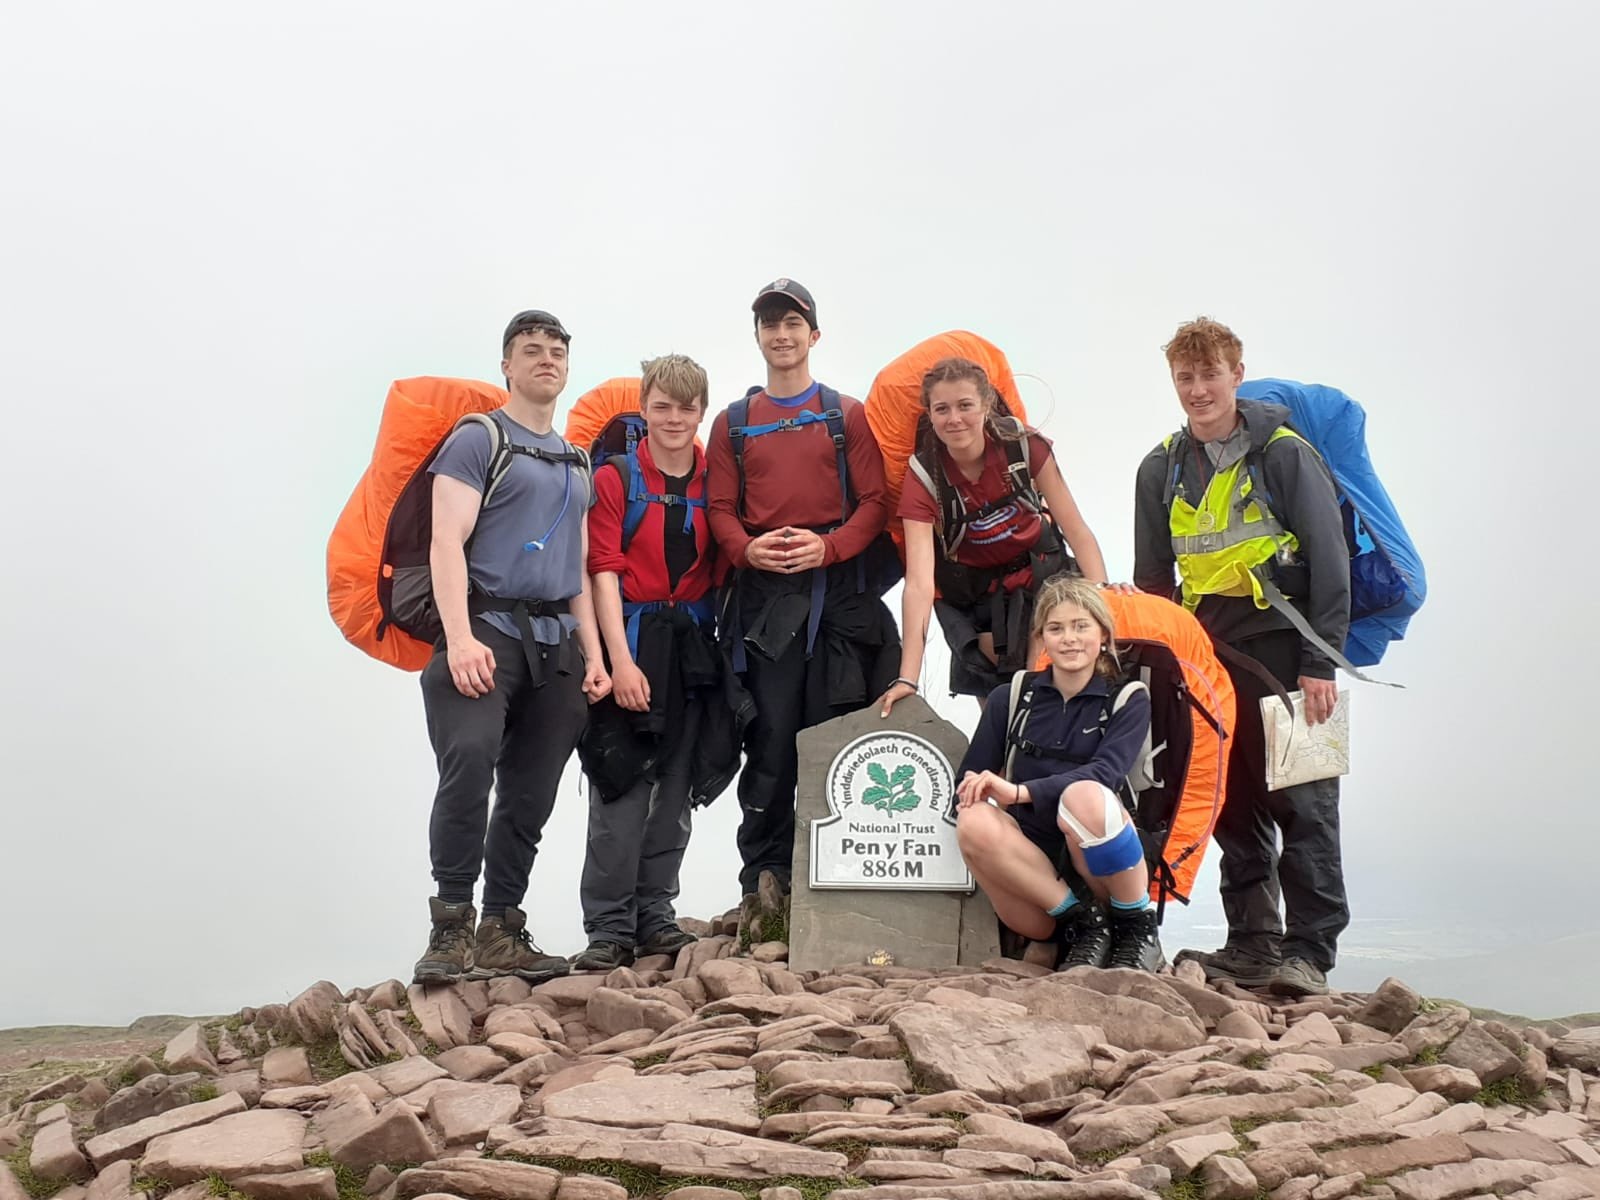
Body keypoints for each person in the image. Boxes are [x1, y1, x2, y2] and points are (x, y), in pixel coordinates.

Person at [1133, 316, 1352, 997]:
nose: (1198, 389)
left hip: (1291, 651)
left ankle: (1309, 953)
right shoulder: (1160, 468)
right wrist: (1161, 673)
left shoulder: (1285, 455)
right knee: (1230, 800)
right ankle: (1254, 943)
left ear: (1237, 374)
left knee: (1306, 802)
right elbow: (1153, 583)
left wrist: (1322, 663)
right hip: (1206, 660)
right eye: (1186, 377)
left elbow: (1331, 563)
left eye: (1210, 374)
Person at [412, 309, 611, 986]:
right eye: (531, 349)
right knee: (468, 763)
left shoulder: (576, 461)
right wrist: (460, 638)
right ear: (507, 365)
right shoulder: (478, 439)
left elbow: (575, 566)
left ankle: (501, 929)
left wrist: (594, 657)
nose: (546, 359)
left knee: (531, 790)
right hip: (484, 630)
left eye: (557, 350)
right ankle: (449, 927)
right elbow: (445, 540)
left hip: (556, 644)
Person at [706, 278, 901, 896]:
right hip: (765, 602)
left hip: (838, 597)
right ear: (757, 336)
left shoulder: (846, 415)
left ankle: (835, 877)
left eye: (793, 323)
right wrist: (746, 550)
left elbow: (875, 502)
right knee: (769, 738)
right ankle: (763, 882)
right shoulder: (734, 423)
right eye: (770, 324)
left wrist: (830, 547)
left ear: (814, 335)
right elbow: (718, 507)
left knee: (835, 733)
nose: (781, 334)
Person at [570, 355, 725, 971]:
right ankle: (609, 927)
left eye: (686, 408)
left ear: (702, 411)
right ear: (644, 408)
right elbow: (602, 570)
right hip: (631, 638)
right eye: (662, 406)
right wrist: (619, 663)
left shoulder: (717, 479)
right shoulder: (614, 478)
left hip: (691, 647)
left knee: (676, 787)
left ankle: (655, 914)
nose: (674, 419)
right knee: (621, 783)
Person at [953, 574, 1164, 971]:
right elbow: (965, 786)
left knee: (1084, 796)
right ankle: (1083, 927)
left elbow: (1105, 774)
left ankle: (1136, 928)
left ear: (1104, 635)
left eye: (1081, 626)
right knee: (971, 817)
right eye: (1056, 628)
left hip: (1105, 868)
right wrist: (979, 791)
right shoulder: (1011, 697)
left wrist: (1018, 793)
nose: (1069, 639)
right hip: (1039, 883)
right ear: (1042, 639)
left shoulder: (1128, 698)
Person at [878, 357, 1110, 715]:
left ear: (986, 404)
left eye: (965, 405)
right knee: (999, 710)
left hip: (1042, 574)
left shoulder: (1022, 445)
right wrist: (908, 678)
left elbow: (1076, 530)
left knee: (1044, 684)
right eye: (942, 409)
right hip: (976, 594)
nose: (954, 419)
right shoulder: (924, 477)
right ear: (930, 415)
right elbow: (920, 583)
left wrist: (1104, 611)